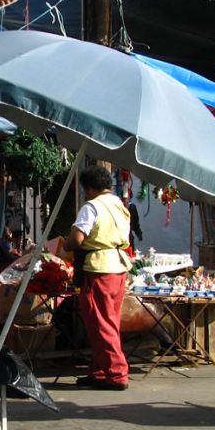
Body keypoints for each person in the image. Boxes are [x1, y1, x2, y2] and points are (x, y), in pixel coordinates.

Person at [64, 165, 132, 390]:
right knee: (108, 320)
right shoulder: (119, 205)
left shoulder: (91, 207)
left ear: (89, 188)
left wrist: (67, 243)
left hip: (99, 267)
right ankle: (100, 370)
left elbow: (77, 239)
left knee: (100, 322)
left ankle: (116, 372)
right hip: (118, 265)